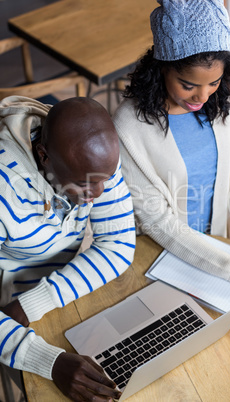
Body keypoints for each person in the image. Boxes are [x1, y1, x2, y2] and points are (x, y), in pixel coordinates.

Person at [113, 0, 230, 291]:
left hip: (220, 245)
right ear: (161, 69)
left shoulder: (229, 101)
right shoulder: (129, 127)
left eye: (214, 82)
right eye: (188, 85)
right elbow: (156, 219)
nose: (203, 97)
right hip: (163, 258)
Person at [0, 95, 135, 401]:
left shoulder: (93, 161)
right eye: (85, 184)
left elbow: (118, 244)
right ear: (44, 155)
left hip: (45, 297)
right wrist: (49, 362)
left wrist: (31, 304)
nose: (98, 193)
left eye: (107, 179)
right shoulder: (4, 191)